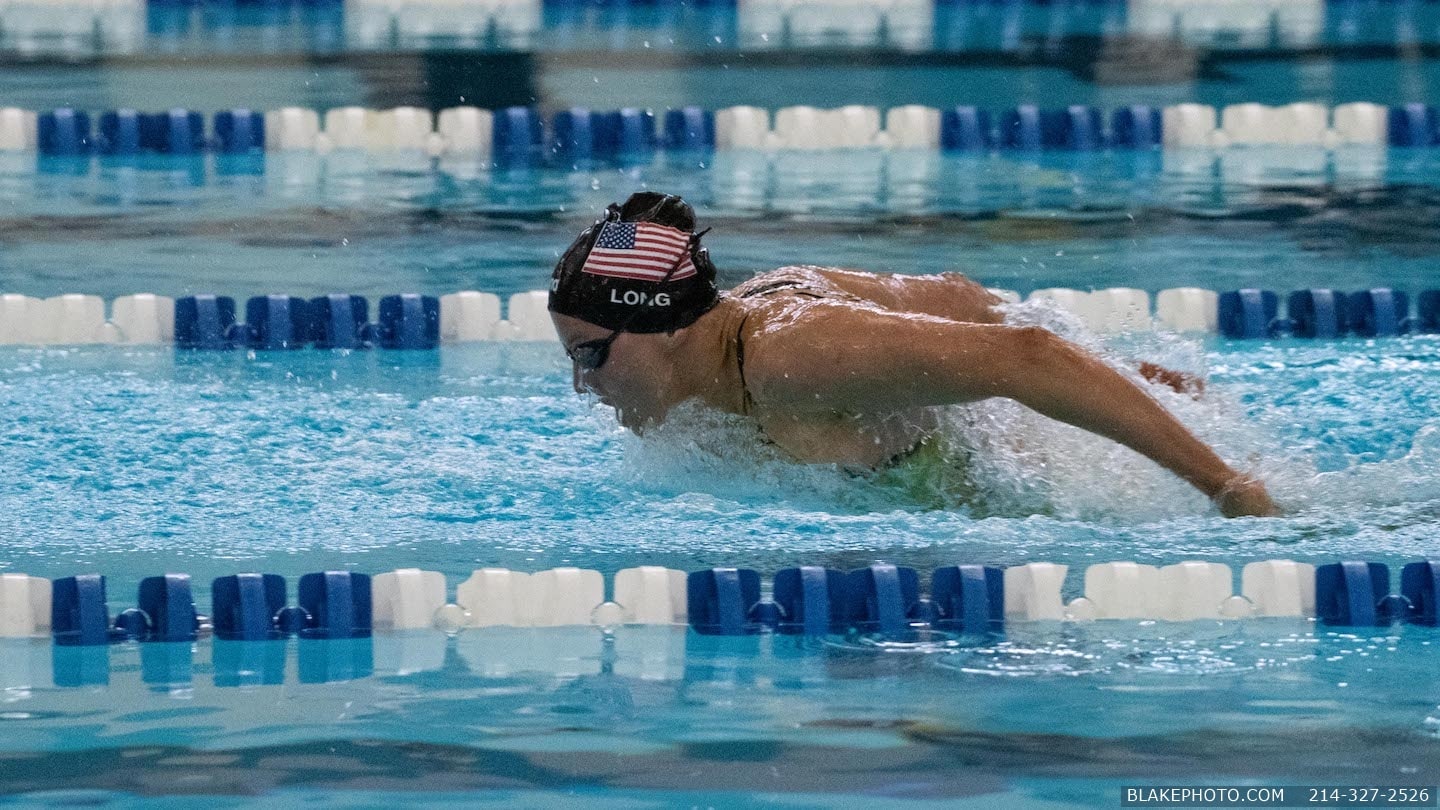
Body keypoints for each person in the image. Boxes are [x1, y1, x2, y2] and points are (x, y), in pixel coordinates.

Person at [548, 191, 1278, 518]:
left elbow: (1026, 352)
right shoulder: (702, 379)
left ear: (666, 327)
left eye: (591, 356)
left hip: (1018, 471)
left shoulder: (792, 354)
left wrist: (1226, 489)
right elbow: (950, 299)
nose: (584, 385)